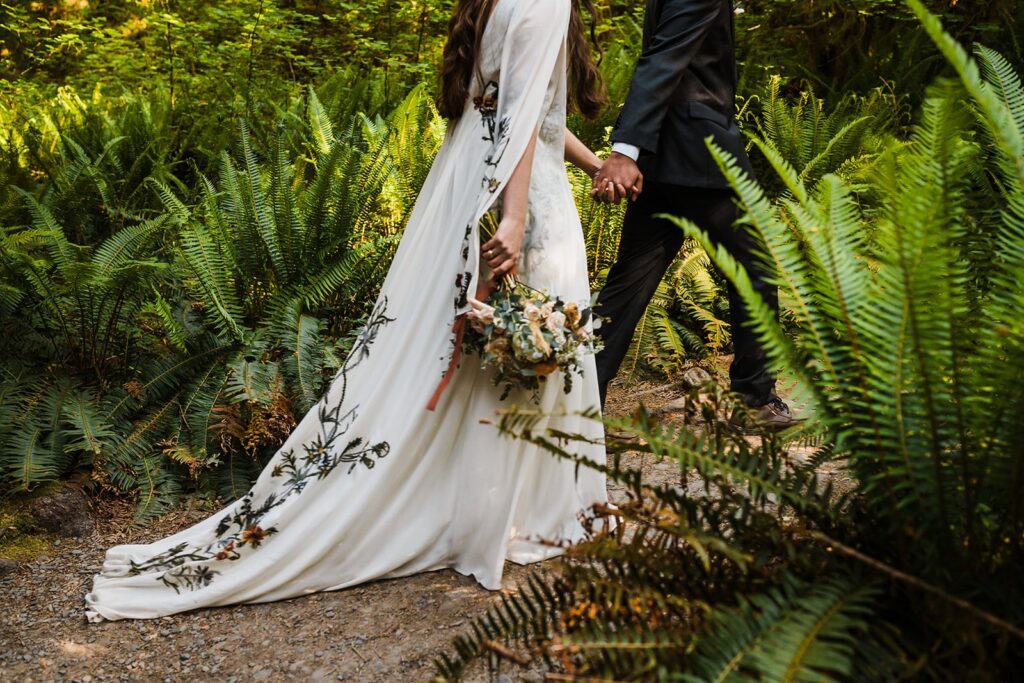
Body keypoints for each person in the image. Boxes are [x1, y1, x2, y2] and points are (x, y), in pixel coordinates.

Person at [85, 0, 612, 622]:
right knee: (520, 351)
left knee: (477, 354)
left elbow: (527, 112)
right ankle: (515, 514)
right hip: (520, 194)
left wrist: (595, 163)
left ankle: (485, 504)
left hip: (474, 178)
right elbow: (519, 123)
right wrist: (515, 216)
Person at [591, 0, 798, 428]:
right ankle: (754, 399)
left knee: (628, 286)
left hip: (663, 155)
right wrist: (624, 150)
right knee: (754, 270)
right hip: (700, 153)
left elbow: (662, 58)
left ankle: (577, 398)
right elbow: (662, 59)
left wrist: (636, 149)